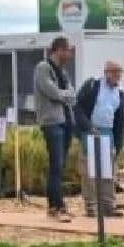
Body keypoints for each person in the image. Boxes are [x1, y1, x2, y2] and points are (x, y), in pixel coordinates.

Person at [73, 61, 124, 219]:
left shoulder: (120, 92)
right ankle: (91, 206)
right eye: (115, 73)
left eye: (120, 73)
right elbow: (78, 108)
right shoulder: (93, 85)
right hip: (91, 130)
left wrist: (118, 143)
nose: (118, 76)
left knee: (109, 171)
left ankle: (108, 206)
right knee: (90, 171)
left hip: (108, 132)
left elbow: (120, 120)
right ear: (107, 73)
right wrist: (87, 126)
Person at [34, 36, 78, 221]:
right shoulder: (43, 67)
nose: (70, 54)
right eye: (68, 50)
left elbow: (72, 94)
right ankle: (54, 208)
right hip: (52, 122)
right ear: (58, 50)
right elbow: (51, 91)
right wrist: (65, 95)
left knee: (61, 167)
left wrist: (65, 95)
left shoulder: (63, 71)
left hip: (66, 121)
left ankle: (60, 205)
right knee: (56, 165)